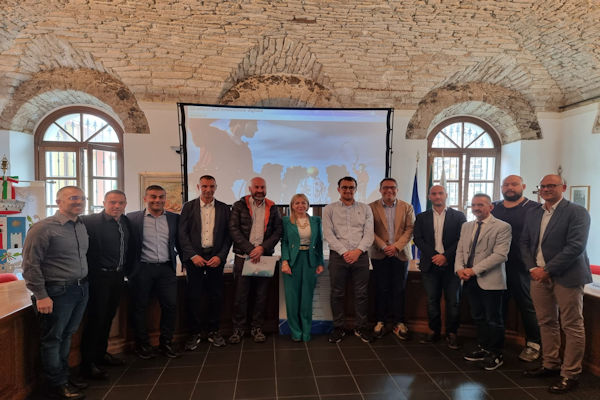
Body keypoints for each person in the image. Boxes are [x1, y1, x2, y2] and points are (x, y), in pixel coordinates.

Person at [521, 174, 592, 394]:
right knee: (546, 322)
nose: (546, 189)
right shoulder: (534, 212)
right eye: (542, 186)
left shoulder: (577, 212)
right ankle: (550, 364)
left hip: (567, 276)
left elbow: (576, 246)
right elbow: (524, 242)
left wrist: (548, 270)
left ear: (563, 187)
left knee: (572, 325)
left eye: (551, 185)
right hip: (538, 276)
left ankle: (570, 374)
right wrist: (533, 268)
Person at [22, 186, 89, 400]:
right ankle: (56, 385)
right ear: (59, 201)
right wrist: (41, 295)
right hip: (56, 292)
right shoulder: (43, 228)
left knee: (67, 335)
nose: (79, 201)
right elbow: (30, 265)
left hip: (80, 289)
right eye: (73, 198)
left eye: (82, 198)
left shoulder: (80, 225)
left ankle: (64, 376)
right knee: (53, 339)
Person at [455, 194, 511, 371]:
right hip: (469, 280)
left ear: (490, 207)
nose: (476, 208)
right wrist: (459, 269)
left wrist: (473, 270)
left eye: (480, 205)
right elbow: (460, 250)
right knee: (478, 317)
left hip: (490, 280)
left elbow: (500, 255)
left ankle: (496, 353)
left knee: (493, 319)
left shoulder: (502, 227)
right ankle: (484, 347)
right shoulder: (466, 226)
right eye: (473, 205)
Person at [79, 190, 130, 381]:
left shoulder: (125, 222)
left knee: (108, 317)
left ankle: (101, 355)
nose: (117, 206)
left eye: (121, 203)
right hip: (98, 278)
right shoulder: (88, 221)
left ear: (125, 204)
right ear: (104, 202)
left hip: (117, 277)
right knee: (96, 319)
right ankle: (88, 364)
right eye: (112, 202)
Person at [491, 175, 541, 362]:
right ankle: (496, 342)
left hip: (522, 266)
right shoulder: (494, 207)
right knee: (498, 305)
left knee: (527, 306)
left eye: (514, 184)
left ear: (523, 186)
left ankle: (534, 344)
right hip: (496, 265)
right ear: (501, 187)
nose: (509, 187)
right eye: (506, 184)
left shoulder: (535, 208)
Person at [178, 175, 231, 350]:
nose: (208, 190)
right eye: (204, 186)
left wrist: (221, 256)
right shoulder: (188, 207)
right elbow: (182, 234)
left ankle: (214, 331)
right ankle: (194, 333)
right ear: (198, 187)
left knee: (216, 296)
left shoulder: (224, 208)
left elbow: (228, 236)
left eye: (211, 186)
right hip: (195, 259)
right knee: (194, 296)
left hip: (216, 258)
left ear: (216, 187)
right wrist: (193, 255)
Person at [127, 185, 180, 359]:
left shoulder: (174, 218)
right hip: (142, 269)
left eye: (161, 197)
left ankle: (166, 343)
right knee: (139, 307)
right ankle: (142, 344)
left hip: (166, 269)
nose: (157, 200)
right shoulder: (132, 218)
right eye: (153, 197)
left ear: (165, 199)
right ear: (145, 199)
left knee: (170, 306)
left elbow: (179, 242)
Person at [228, 177, 283, 344]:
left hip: (264, 258)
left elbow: (278, 231)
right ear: (250, 188)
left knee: (261, 296)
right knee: (240, 296)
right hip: (243, 258)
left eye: (262, 187)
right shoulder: (239, 205)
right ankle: (238, 329)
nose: (260, 190)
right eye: (257, 187)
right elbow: (233, 229)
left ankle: (257, 328)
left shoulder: (272, 207)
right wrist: (251, 249)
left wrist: (262, 248)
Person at [413, 185, 466, 349]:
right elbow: (418, 239)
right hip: (430, 265)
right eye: (434, 194)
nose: (437, 196)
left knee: (453, 301)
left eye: (440, 193)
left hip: (451, 265)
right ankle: (434, 331)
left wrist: (445, 256)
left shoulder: (458, 216)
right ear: (429, 197)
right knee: (432, 301)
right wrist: (435, 256)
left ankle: (452, 333)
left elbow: (462, 239)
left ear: (446, 195)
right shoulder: (421, 217)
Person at [323, 176, 374, 343]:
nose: (348, 190)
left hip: (361, 256)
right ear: (338, 189)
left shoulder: (365, 209)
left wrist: (357, 251)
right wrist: (345, 252)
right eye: (344, 187)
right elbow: (328, 234)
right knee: (337, 293)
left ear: (355, 189)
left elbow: (369, 234)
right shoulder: (329, 209)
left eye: (351, 187)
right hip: (338, 256)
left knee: (361, 294)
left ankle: (361, 327)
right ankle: (338, 328)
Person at [369, 178, 414, 340]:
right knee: (381, 288)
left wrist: (396, 247)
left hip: (400, 254)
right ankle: (380, 321)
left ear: (397, 189)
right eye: (386, 187)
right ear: (380, 190)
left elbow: (410, 229)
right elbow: (370, 230)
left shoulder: (407, 207)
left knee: (399, 289)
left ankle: (399, 322)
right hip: (379, 253)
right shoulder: (371, 207)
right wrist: (383, 246)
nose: (389, 190)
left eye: (393, 187)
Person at [281, 193, 325, 342]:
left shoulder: (316, 220)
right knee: (292, 298)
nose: (300, 205)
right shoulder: (286, 221)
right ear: (292, 206)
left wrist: (320, 262)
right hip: (292, 261)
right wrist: (285, 261)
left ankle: (306, 331)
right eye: (297, 203)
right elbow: (284, 242)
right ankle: (296, 331)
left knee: (307, 298)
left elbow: (319, 243)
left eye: (303, 202)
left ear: (308, 205)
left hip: (310, 261)